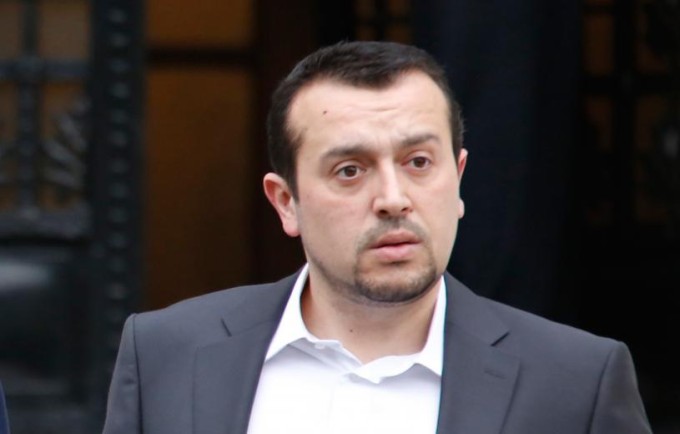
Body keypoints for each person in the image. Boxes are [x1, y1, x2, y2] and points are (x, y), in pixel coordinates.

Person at [102, 41, 651, 434]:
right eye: (350, 170)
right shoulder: (164, 356)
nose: (393, 197)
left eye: (418, 162)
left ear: (459, 179)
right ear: (286, 202)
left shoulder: (576, 382)